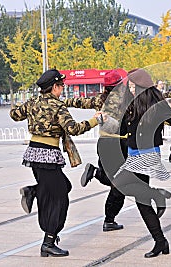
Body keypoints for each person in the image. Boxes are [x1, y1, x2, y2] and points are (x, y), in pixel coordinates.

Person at [109, 68, 171, 258]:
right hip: (134, 154)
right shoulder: (131, 103)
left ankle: (158, 200)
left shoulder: (157, 105)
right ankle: (161, 241)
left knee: (123, 188)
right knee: (137, 198)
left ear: (140, 87)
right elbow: (123, 126)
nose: (129, 88)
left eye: (132, 85)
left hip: (145, 156)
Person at [10, 69, 103, 257]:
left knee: (62, 186)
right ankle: (49, 241)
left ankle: (33, 191)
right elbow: (74, 129)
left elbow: (14, 114)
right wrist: (95, 120)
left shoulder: (32, 102)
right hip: (48, 156)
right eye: (62, 86)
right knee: (60, 198)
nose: (63, 89)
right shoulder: (58, 106)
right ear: (54, 87)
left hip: (34, 154)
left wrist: (31, 112)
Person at [64, 69, 128, 232]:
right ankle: (109, 219)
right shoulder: (126, 100)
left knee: (115, 181)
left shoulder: (100, 99)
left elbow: (80, 102)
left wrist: (62, 101)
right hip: (118, 144)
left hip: (104, 143)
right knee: (120, 184)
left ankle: (96, 174)